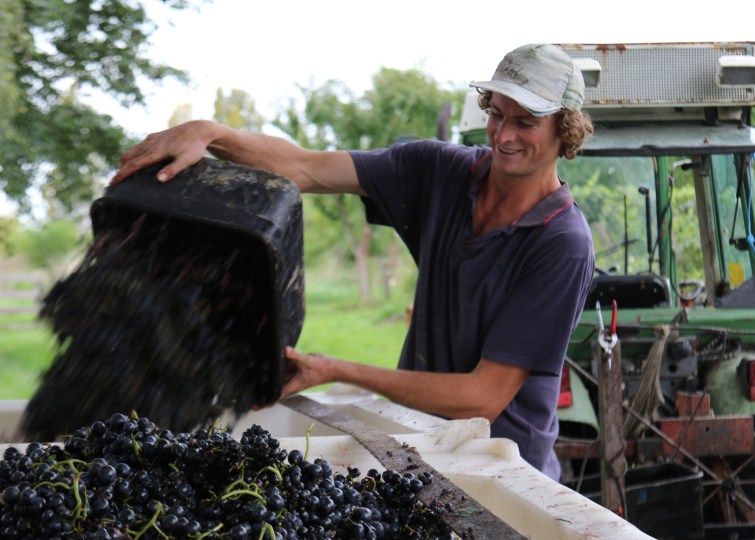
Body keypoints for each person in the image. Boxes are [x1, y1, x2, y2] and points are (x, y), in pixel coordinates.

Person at [112, 43, 595, 481]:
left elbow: (482, 397)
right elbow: (304, 167)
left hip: (505, 471)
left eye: (525, 122)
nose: (503, 135)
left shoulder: (562, 243)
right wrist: (210, 134)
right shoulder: (439, 172)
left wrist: (335, 369)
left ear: (565, 130)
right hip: (423, 450)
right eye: (497, 113)